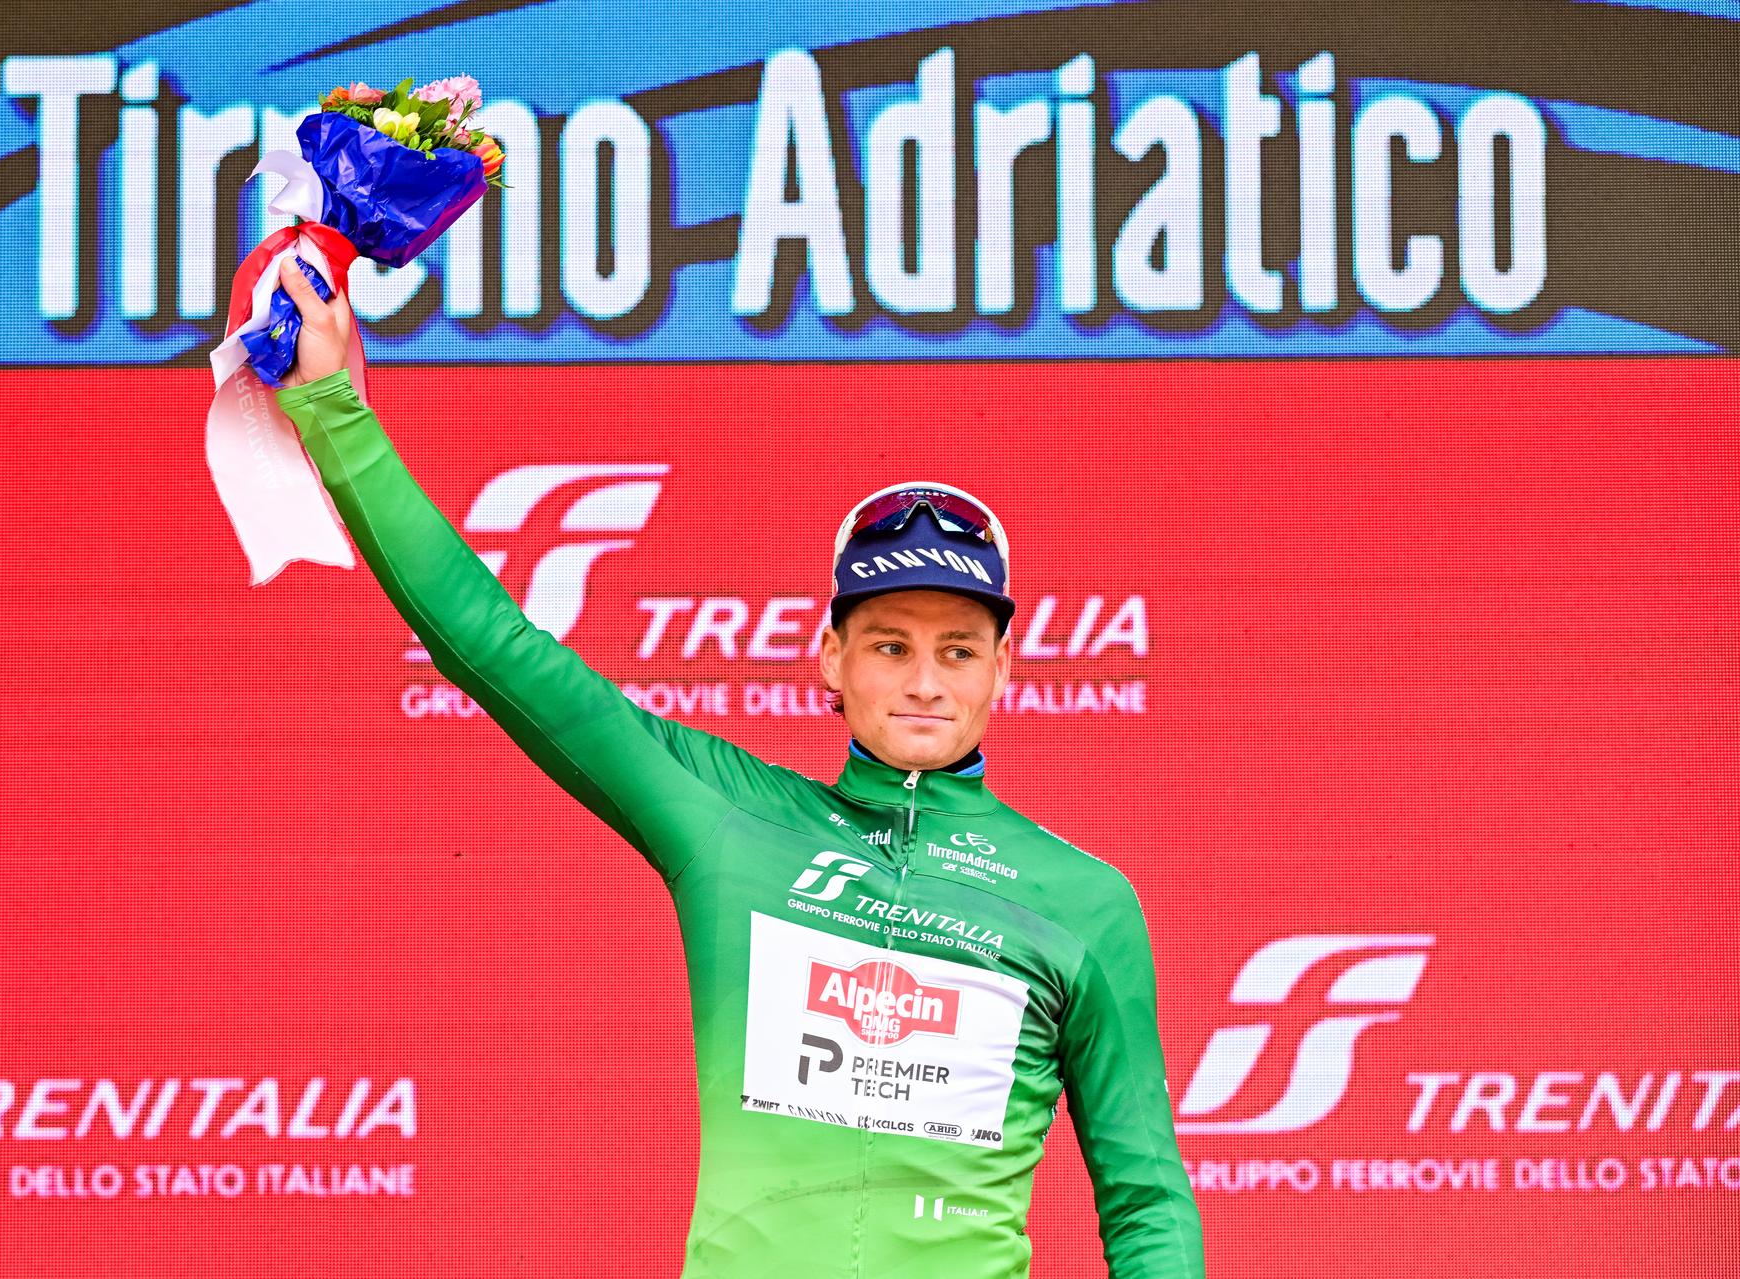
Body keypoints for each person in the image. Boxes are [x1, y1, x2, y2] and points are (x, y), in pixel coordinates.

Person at [270, 257, 1204, 1277]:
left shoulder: (1084, 901)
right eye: (890, 645)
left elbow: (1148, 1200)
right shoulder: (729, 818)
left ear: (1003, 668)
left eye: (958, 650)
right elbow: (500, 651)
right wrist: (334, 413)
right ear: (832, 659)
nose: (924, 682)